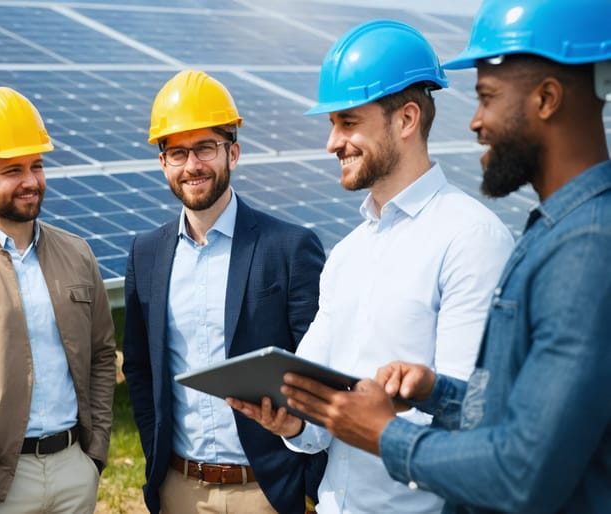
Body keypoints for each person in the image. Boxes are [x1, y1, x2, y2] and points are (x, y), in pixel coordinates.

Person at [270, 1, 611, 512]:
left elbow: (522, 470)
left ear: (546, 98)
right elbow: (501, 411)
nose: (474, 122)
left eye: (487, 98)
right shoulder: (553, 233)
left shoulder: (577, 246)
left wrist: (385, 434)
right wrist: (435, 394)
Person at [227, 20, 515, 514]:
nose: (332, 142)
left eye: (348, 122)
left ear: (405, 120)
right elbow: (320, 415)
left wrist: (378, 427)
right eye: (332, 124)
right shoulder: (347, 255)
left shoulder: (472, 239)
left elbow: (470, 417)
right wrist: (292, 420)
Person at [122, 69, 328, 514]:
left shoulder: (289, 248)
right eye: (177, 152)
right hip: (180, 488)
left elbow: (319, 370)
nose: (192, 165)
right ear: (163, 164)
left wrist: (305, 485)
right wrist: (159, 465)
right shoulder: (146, 254)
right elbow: (139, 369)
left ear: (232, 153)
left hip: (268, 490)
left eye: (205, 148)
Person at [0, 86, 117, 514]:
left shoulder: (77, 253)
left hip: (74, 470)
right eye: (12, 169)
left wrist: (93, 457)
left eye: (36, 165)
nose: (31, 181)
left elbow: (101, 354)